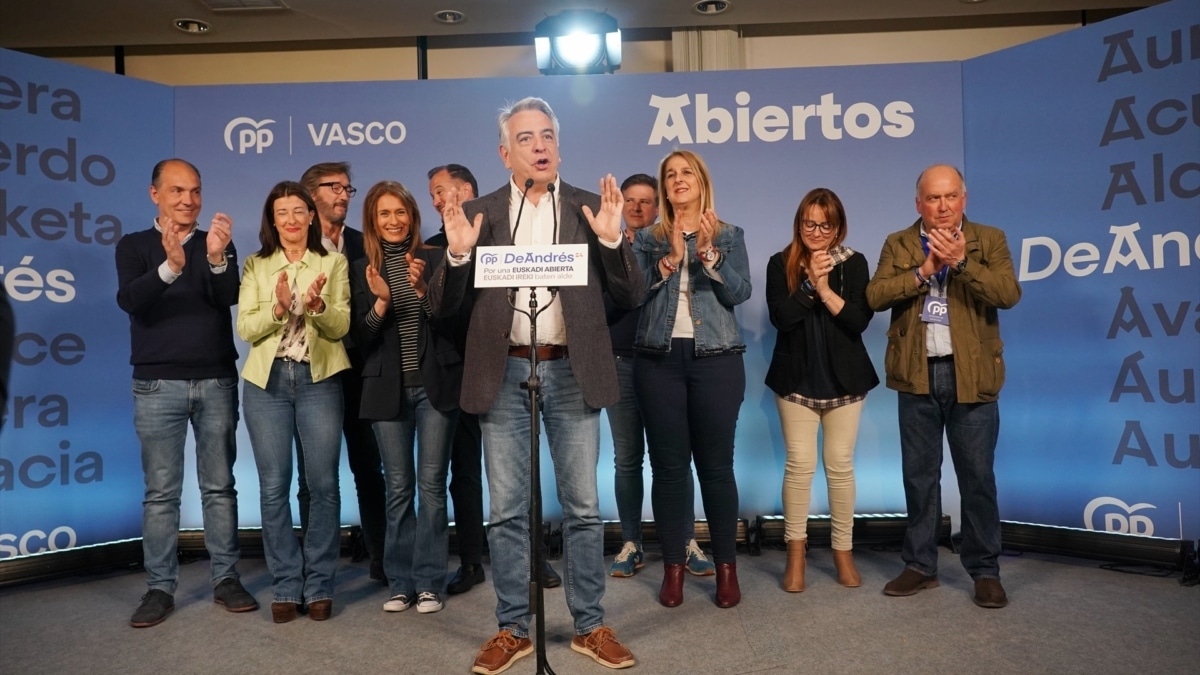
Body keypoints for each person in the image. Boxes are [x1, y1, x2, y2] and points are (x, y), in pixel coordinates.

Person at [429, 97, 640, 674]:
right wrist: (455, 254)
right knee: (508, 512)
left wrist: (615, 242)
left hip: (572, 367)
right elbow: (443, 308)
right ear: (504, 153)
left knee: (583, 507)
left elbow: (630, 296)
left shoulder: (591, 207)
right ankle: (511, 629)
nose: (540, 146)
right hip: (504, 372)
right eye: (526, 138)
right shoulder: (478, 213)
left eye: (547, 135)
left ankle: (590, 625)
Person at [865, 164, 1021, 609]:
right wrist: (922, 270)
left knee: (977, 479)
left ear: (964, 200)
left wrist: (962, 263)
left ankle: (985, 570)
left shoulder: (989, 240)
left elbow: (1008, 293)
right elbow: (875, 296)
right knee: (919, 477)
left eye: (950, 196)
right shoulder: (898, 243)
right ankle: (920, 565)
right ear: (919, 204)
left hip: (972, 377)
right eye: (933, 198)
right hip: (916, 374)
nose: (942, 206)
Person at [115, 158, 257, 627]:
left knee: (220, 486)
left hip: (216, 379)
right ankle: (159, 588)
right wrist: (171, 268)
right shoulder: (134, 246)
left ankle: (226, 578)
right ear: (155, 194)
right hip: (157, 385)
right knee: (161, 493)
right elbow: (132, 301)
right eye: (177, 191)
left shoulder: (218, 242)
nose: (188, 200)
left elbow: (227, 298)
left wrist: (216, 259)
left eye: (195, 191)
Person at [632, 150, 752, 610]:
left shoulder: (729, 233)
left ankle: (726, 569)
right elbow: (631, 296)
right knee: (668, 471)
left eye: (687, 173)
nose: (679, 180)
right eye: (671, 175)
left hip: (716, 360)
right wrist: (669, 261)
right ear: (664, 187)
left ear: (701, 182)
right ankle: (674, 571)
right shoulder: (646, 239)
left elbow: (739, 292)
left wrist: (709, 257)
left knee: (717, 469)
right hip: (659, 361)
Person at [237, 181, 351, 623]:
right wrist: (280, 310)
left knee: (322, 485)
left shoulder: (332, 261)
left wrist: (317, 305)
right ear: (272, 219)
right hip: (266, 384)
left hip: (318, 380)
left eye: (298, 211)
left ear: (311, 216)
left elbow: (340, 326)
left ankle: (319, 584)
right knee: (273, 486)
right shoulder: (256, 265)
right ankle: (286, 584)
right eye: (281, 212)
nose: (290, 220)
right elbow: (246, 330)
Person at [350, 180, 465, 615]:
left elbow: (455, 324)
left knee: (432, 488)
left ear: (413, 218)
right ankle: (400, 583)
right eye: (384, 214)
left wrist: (422, 296)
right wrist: (381, 304)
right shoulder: (360, 267)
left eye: (400, 213)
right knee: (398, 489)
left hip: (435, 388)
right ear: (373, 221)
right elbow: (357, 339)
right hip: (386, 390)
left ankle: (430, 583)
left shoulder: (437, 259)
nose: (393, 221)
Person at [765, 188, 879, 592]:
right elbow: (783, 318)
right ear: (799, 224)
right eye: (808, 223)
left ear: (837, 229)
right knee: (799, 465)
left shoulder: (855, 264)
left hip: (845, 383)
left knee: (840, 466)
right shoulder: (780, 263)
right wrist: (810, 285)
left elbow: (857, 322)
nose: (815, 231)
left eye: (824, 225)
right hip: (795, 382)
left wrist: (827, 287)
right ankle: (795, 556)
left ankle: (841, 553)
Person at [606, 173, 714, 579]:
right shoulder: (609, 248)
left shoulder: (669, 248)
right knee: (627, 457)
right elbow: (603, 307)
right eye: (629, 201)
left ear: (659, 207)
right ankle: (630, 543)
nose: (636, 208)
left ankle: (685, 540)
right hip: (621, 361)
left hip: (665, 361)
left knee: (673, 459)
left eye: (645, 201)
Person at [298, 162, 387, 582]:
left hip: (360, 371)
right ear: (310, 196)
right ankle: (314, 567)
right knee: (313, 475)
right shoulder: (295, 245)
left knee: (370, 468)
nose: (344, 195)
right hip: (313, 372)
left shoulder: (364, 245)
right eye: (334, 187)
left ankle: (382, 557)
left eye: (349, 188)